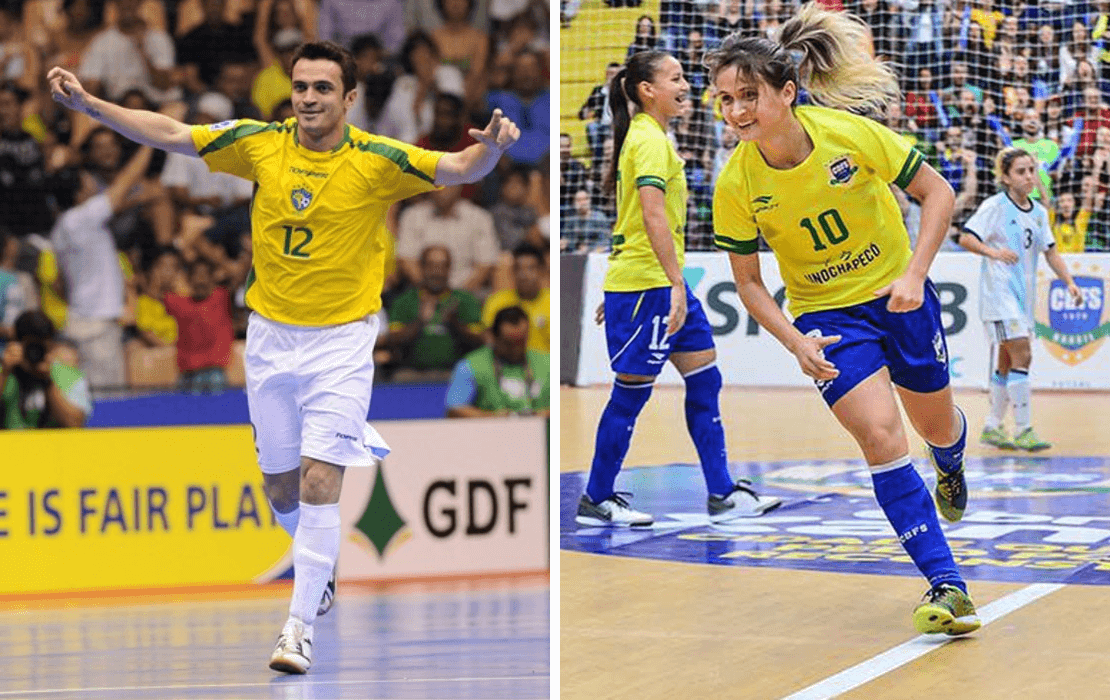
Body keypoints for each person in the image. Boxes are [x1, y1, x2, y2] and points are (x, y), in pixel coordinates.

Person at [47, 39, 519, 674]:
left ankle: (297, 627)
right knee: (279, 482)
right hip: (271, 339)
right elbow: (173, 133)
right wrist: (93, 106)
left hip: (344, 342)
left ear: (349, 99)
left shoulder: (378, 159)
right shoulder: (259, 143)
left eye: (323, 88)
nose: (308, 98)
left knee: (322, 477)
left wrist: (490, 145)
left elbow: (461, 169)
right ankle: (316, 567)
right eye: (301, 86)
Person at [709, 3, 979, 636]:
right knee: (881, 437)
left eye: (748, 95)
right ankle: (948, 585)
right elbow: (747, 283)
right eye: (724, 100)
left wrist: (913, 274)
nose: (736, 111)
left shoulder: (848, 135)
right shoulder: (736, 183)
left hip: (898, 298)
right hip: (828, 317)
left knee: (933, 426)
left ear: (787, 91)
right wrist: (795, 339)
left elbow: (937, 193)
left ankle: (951, 458)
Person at [575, 49, 782, 531]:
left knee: (705, 380)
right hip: (651, 286)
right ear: (648, 91)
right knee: (630, 396)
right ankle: (596, 497)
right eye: (676, 77)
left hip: (656, 282)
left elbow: (634, 217)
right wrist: (669, 284)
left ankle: (722, 493)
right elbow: (648, 216)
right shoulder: (648, 140)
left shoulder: (652, 137)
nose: (686, 85)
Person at [955, 147, 1083, 451]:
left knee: (1007, 359)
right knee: (1023, 354)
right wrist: (993, 252)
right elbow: (966, 237)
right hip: (999, 294)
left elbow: (1050, 251)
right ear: (1006, 177)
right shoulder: (995, 206)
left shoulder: (1038, 212)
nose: (1028, 176)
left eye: (1031, 170)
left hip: (1021, 296)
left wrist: (1069, 281)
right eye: (1021, 171)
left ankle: (992, 427)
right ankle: (1024, 428)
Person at [385, 244, 485, 378]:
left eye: (442, 266)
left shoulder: (464, 300)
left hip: (455, 372)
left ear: (449, 269)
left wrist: (455, 323)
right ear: (422, 268)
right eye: (431, 266)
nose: (436, 272)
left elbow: (481, 342)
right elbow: (392, 340)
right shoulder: (405, 301)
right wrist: (419, 322)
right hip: (412, 372)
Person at [445, 305, 549, 418]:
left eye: (521, 342)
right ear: (493, 337)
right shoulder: (471, 365)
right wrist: (494, 418)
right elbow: (455, 409)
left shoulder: (547, 363)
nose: (516, 349)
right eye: (509, 344)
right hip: (492, 432)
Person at [1, 310, 91, 429]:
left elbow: (74, 424)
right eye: (30, 346)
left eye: (40, 347)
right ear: (15, 343)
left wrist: (49, 380)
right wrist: (5, 372)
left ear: (52, 345)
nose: (34, 353)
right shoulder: (6, 372)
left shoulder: (69, 376)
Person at [481, 243, 548, 352]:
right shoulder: (496, 301)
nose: (524, 275)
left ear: (541, 271)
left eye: (530, 269)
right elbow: (488, 340)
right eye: (518, 268)